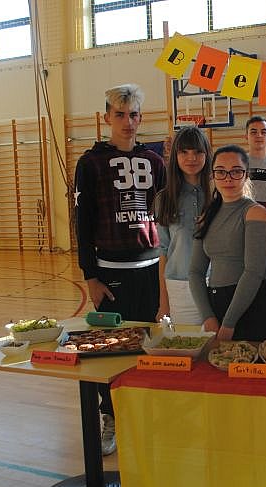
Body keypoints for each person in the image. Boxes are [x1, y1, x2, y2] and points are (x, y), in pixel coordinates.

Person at [74, 83, 166, 454]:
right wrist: (90, 276)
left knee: (151, 346)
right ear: (107, 117)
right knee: (109, 349)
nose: (128, 122)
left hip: (151, 269)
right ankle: (110, 416)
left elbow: (167, 217)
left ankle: (146, 414)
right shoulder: (90, 163)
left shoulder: (155, 161)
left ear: (141, 118)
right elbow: (82, 223)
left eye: (134, 115)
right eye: (120, 115)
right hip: (111, 272)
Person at [188, 144, 266, 341]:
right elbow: (195, 272)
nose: (228, 178)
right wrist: (208, 316)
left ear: (246, 175)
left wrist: (229, 322)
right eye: (221, 172)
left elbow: (253, 272)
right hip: (216, 304)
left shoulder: (255, 212)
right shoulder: (207, 215)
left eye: (236, 171)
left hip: (249, 305)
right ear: (213, 175)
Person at [154, 126, 213, 325]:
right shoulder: (164, 199)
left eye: (198, 152)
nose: (191, 158)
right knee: (186, 341)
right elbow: (163, 252)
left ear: (207, 154)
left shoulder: (218, 194)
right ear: (175, 156)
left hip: (215, 282)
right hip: (179, 286)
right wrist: (163, 303)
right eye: (184, 152)